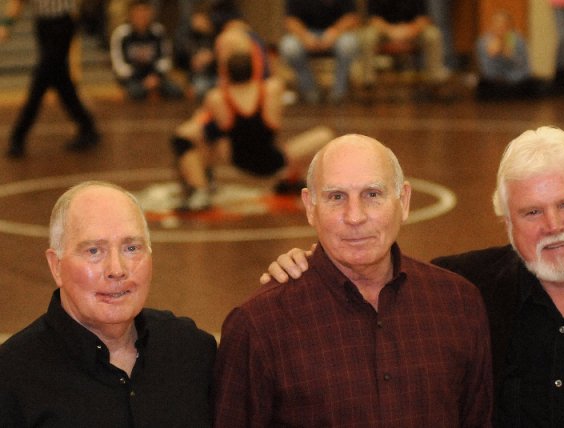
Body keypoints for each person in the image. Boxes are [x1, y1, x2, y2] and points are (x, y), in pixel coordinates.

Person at [261, 126, 564, 427]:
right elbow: (371, 282)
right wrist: (313, 266)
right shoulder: (462, 290)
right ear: (507, 222)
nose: (553, 226)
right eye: (532, 213)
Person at [213, 134, 493, 426]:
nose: (355, 216)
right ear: (310, 207)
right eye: (336, 197)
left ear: (403, 201)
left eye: (372, 194)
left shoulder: (458, 304)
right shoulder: (259, 326)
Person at [0, 181, 217, 426]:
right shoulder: (11, 377)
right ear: (56, 266)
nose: (116, 269)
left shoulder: (191, 351)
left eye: (131, 248)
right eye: (94, 251)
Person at [171, 28, 334, 210]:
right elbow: (271, 72)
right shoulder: (271, 89)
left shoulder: (217, 98)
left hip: (236, 159)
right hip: (273, 161)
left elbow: (192, 129)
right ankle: (290, 178)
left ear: (225, 71)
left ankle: (199, 188)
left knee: (185, 138)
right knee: (324, 135)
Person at [0, 0, 100, 158]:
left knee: (41, 80)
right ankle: (87, 127)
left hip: (62, 22)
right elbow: (17, 2)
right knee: (61, 81)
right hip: (43, 25)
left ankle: (18, 136)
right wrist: (7, 24)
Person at [278, 0, 360, 104]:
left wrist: (335, 32)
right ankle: (309, 91)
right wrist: (304, 36)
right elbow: (290, 20)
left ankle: (339, 92)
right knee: (289, 46)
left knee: (349, 43)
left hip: (337, 35)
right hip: (306, 35)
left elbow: (352, 17)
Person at [361, 0, 450, 87]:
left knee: (432, 34)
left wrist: (408, 31)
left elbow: (423, 19)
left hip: (412, 31)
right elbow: (373, 19)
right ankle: (368, 81)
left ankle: (435, 77)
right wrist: (392, 32)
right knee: (367, 36)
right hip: (384, 31)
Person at [110, 0, 184, 100]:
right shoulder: (121, 34)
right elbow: (119, 66)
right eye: (138, 13)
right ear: (130, 14)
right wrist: (142, 80)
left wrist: (155, 77)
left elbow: (166, 60)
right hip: (132, 78)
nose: (142, 16)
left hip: (156, 76)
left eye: (145, 12)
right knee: (136, 93)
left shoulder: (158, 31)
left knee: (176, 92)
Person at [475, 9, 542, 100]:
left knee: (534, 85)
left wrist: (510, 56)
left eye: (504, 26)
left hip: (517, 82)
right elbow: (486, 71)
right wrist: (491, 56)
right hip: (494, 83)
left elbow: (525, 69)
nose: (500, 30)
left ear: (510, 28)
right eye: (497, 26)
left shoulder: (518, 40)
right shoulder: (483, 42)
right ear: (491, 27)